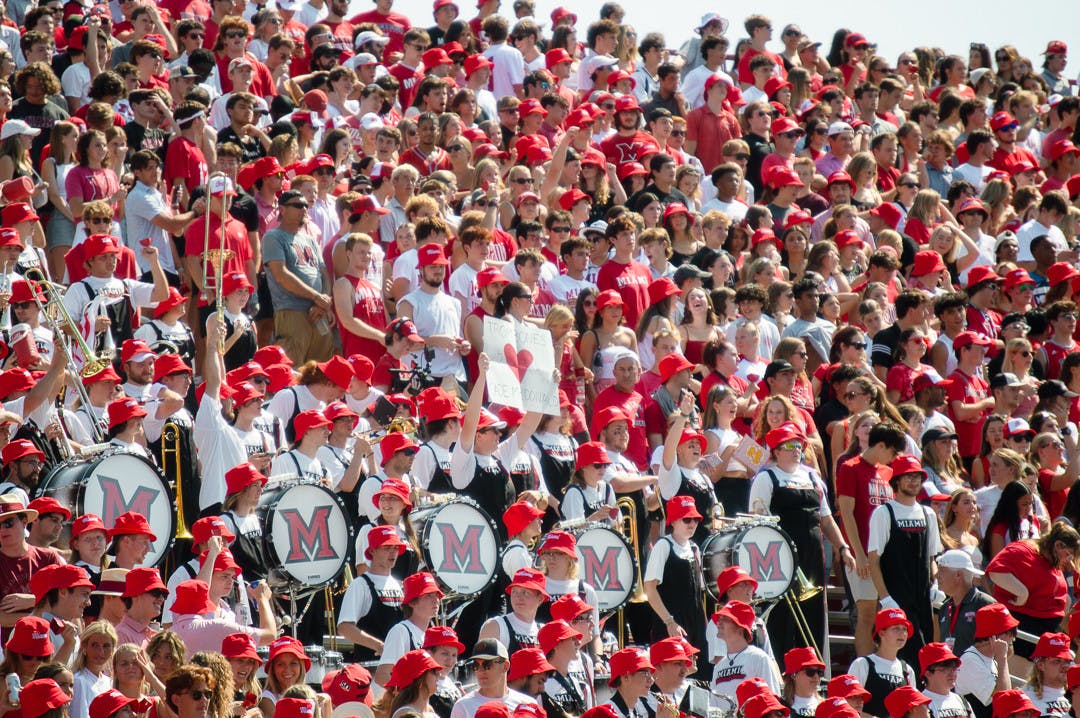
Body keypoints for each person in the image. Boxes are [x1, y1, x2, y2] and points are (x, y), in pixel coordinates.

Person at [749, 422, 853, 663]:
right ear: (775, 450)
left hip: (813, 554)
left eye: (799, 445)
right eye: (789, 445)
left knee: (814, 613)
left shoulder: (811, 476)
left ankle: (812, 669)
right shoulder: (766, 477)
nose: (797, 449)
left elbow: (826, 519)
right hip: (778, 558)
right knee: (782, 617)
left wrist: (842, 548)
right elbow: (757, 522)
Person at [868, 454, 943, 666]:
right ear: (896, 481)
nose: (913, 481)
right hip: (895, 597)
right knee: (901, 657)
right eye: (907, 476)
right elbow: (873, 561)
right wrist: (886, 598)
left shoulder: (928, 514)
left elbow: (932, 558)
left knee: (925, 654)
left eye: (917, 476)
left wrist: (935, 583)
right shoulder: (883, 513)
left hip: (923, 597)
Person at [985, 522, 1079, 659]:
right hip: (1023, 628)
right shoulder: (1022, 550)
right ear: (1058, 545)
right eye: (1069, 555)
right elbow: (995, 570)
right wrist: (1022, 593)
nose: (1070, 563)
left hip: (1046, 631)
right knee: (1019, 677)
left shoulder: (1052, 562)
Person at [848, 609, 918, 718]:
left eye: (904, 629)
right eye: (896, 628)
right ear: (881, 633)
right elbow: (848, 707)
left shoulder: (908, 670)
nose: (902, 633)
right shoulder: (862, 665)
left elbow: (913, 711)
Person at [955, 604, 1018, 718]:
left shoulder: (991, 659)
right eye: (1009, 633)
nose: (1013, 638)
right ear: (994, 636)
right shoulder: (970, 661)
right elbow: (1002, 699)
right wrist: (1002, 658)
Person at [449, 638, 538, 718]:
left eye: (487, 665)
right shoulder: (463, 706)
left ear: (505, 666)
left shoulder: (527, 704)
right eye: (475, 665)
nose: (480, 670)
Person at [935, 550, 994, 657]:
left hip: (977, 672)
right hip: (951, 672)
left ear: (958, 575)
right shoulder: (944, 608)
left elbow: (1006, 649)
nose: (936, 575)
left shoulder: (986, 605)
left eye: (941, 571)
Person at [1022, 632, 1073, 715]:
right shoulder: (1025, 699)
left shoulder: (1076, 695)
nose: (1065, 666)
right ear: (1041, 665)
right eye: (1057, 661)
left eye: (1067, 661)